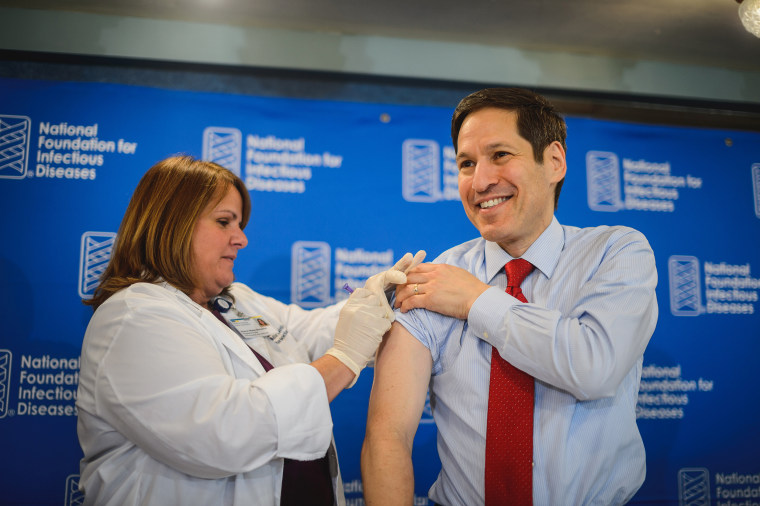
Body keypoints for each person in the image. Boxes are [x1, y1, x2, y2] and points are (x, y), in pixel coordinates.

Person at [361, 88, 658, 505]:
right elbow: (387, 436)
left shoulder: (615, 252)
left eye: (500, 155)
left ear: (554, 161)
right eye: (467, 163)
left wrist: (477, 301)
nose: (480, 181)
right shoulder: (434, 279)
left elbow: (595, 367)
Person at [76, 155, 424, 505]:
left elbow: (311, 332)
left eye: (239, 224)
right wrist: (344, 358)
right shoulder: (133, 318)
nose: (240, 239)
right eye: (224, 222)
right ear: (173, 224)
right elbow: (224, 433)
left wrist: (381, 300)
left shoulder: (233, 301)